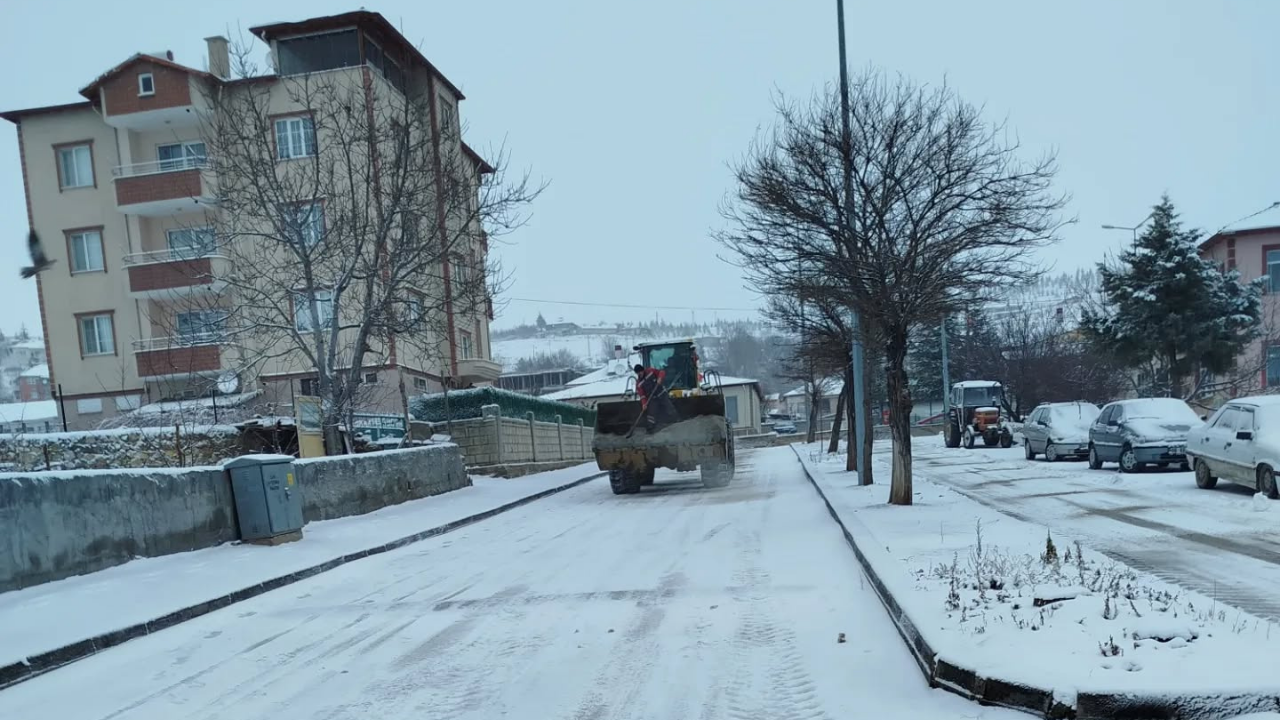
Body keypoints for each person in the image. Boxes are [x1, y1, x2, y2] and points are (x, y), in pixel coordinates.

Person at [634, 363, 676, 431]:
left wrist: (660, 378)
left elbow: (661, 372)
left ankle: (676, 420)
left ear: (643, 370)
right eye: (637, 373)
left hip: (661, 394)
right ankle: (651, 427)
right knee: (651, 413)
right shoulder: (638, 383)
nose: (639, 374)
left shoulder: (651, 371)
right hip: (652, 398)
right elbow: (642, 395)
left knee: (669, 407)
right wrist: (644, 404)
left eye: (640, 372)